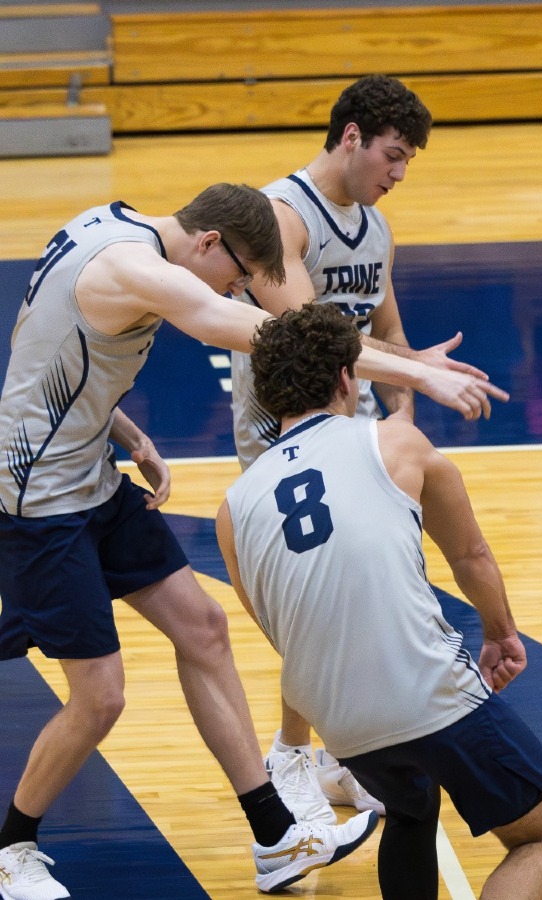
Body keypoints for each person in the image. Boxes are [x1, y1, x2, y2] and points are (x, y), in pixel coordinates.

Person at [0, 183, 503, 897]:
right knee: (101, 696)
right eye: (234, 279)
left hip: (88, 475)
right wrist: (416, 370)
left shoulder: (106, 222)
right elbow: (271, 335)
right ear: (207, 243)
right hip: (38, 501)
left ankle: (275, 837)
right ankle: (12, 846)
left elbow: (43, 347)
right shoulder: (139, 268)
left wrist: (121, 427)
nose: (234, 293)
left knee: (203, 629)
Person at [217, 303, 542, 900]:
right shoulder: (393, 440)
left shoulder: (234, 507)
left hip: (336, 716)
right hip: (424, 688)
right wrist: (501, 632)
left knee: (410, 811)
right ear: (345, 379)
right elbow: (471, 556)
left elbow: (276, 624)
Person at [232, 73, 476, 826]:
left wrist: (403, 410)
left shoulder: (374, 224)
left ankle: (337, 757)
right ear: (350, 138)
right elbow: (318, 333)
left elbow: (389, 326)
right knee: (316, 605)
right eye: (392, 156)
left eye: (407, 162)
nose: (398, 174)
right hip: (285, 432)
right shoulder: (282, 214)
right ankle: (291, 755)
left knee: (366, 593)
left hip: (357, 434)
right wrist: (415, 376)